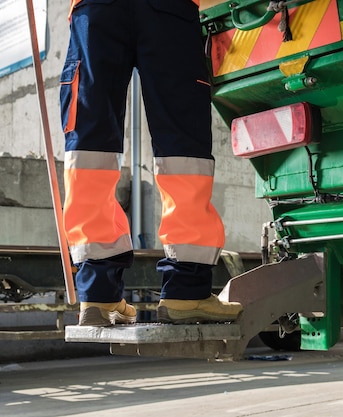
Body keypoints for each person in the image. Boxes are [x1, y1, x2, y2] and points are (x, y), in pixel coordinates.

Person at [59, 0, 242, 326]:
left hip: (97, 9)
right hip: (167, 8)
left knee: (90, 147)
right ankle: (186, 291)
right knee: (183, 147)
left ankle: (98, 294)